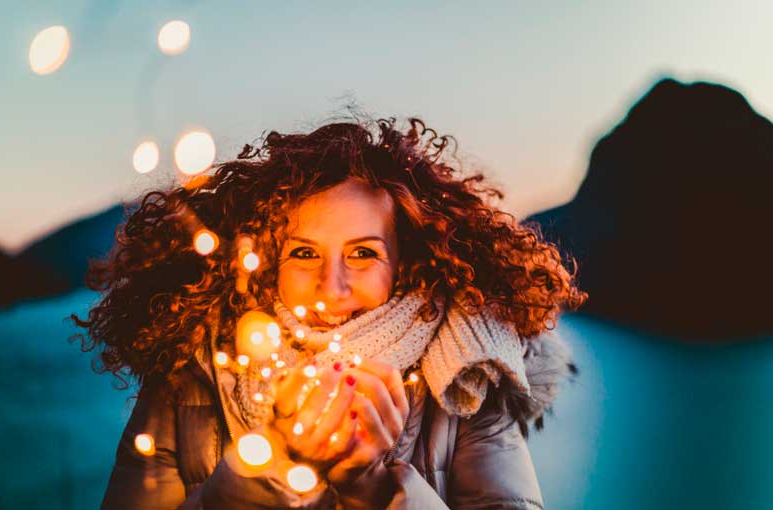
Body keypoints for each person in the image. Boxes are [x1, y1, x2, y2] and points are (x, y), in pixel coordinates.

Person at [72, 118, 587, 509]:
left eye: (363, 253)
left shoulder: (467, 377)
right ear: (271, 261)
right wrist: (269, 466)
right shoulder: (192, 370)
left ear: (403, 263)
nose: (331, 286)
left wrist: (374, 487)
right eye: (303, 253)